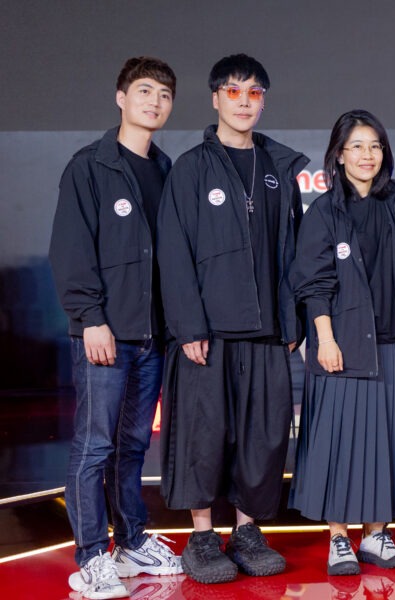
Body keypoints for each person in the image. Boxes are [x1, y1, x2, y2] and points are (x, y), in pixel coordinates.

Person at [156, 53, 309, 584]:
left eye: (254, 93)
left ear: (264, 102)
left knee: (263, 437)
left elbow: (292, 255)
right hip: (209, 334)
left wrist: (292, 321)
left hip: (267, 334)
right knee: (202, 436)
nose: (244, 102)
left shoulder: (279, 169)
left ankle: (246, 532)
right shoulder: (190, 168)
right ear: (215, 98)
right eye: (234, 91)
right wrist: (188, 326)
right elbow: (173, 252)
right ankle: (202, 538)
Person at [49, 56, 182, 599]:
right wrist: (91, 319)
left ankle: (129, 542)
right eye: (145, 91)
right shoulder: (90, 166)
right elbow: (71, 250)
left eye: (165, 95)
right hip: (104, 334)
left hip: (152, 336)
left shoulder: (167, 170)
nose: (155, 102)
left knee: (132, 445)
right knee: (94, 446)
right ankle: (90, 557)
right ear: (121, 97)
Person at [289, 109, 395, 576]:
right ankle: (339, 539)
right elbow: (314, 284)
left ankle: (376, 536)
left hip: (390, 343)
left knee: (384, 443)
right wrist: (324, 339)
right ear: (339, 155)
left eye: (375, 146)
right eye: (357, 147)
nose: (367, 155)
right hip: (343, 346)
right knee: (338, 444)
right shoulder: (324, 212)